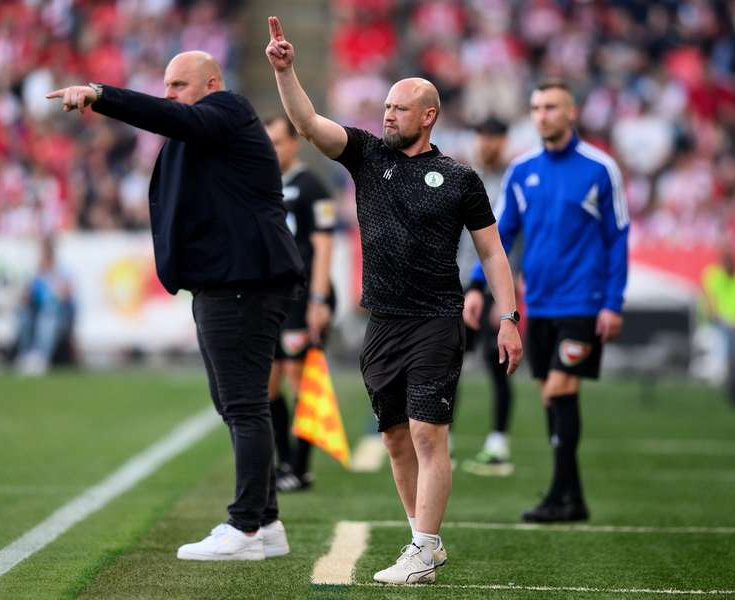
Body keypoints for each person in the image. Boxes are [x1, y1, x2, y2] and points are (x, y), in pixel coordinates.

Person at [266, 16, 522, 585]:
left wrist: (508, 318)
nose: (387, 115)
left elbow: (494, 254)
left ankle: (424, 546)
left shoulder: (459, 179)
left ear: (427, 115)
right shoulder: (365, 156)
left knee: (429, 432)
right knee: (394, 438)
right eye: (385, 107)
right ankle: (421, 540)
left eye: (399, 109)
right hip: (381, 321)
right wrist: (285, 71)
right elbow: (307, 124)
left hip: (436, 318)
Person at [46, 50, 304, 561]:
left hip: (243, 281)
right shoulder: (204, 130)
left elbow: (175, 118)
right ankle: (267, 524)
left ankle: (248, 527)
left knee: (244, 405)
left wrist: (102, 94)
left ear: (211, 83)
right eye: (164, 84)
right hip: (227, 281)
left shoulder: (228, 110)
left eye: (178, 84)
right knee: (236, 404)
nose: (168, 94)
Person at [465, 79, 629, 523]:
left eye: (551, 106)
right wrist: (478, 285)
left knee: (559, 389)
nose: (542, 115)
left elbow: (618, 237)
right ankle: (571, 498)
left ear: (571, 112)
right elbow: (500, 237)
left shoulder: (600, 168)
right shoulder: (522, 172)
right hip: (538, 303)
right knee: (551, 399)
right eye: (536, 107)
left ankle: (560, 495)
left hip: (583, 302)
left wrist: (613, 302)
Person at [263, 115, 336, 492]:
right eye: (267, 142)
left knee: (299, 378)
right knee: (270, 383)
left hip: (302, 295)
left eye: (278, 141)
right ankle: (282, 462)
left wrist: (319, 299)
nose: (272, 149)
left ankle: (300, 466)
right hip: (271, 297)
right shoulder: (260, 183)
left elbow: (324, 244)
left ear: (294, 143)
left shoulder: (311, 186)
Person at [460, 118, 516, 477]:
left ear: (503, 140)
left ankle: (498, 441)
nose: (488, 142)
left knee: (496, 365)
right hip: (460, 282)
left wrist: (505, 297)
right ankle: (440, 436)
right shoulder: (463, 175)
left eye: (494, 136)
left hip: (495, 286)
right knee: (447, 363)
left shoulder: (513, 180)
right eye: (482, 134)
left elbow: (513, 239)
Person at [13, 236, 76, 376]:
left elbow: (67, 295)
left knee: (48, 314)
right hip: (36, 312)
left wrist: (53, 287)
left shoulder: (62, 271)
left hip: (58, 315)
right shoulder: (36, 273)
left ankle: (41, 357)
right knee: (23, 315)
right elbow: (25, 297)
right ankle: (25, 355)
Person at [701, 245, 735, 381]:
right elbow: (709, 299)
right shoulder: (713, 275)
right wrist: (715, 315)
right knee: (726, 337)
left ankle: (733, 372)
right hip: (720, 322)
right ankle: (726, 372)